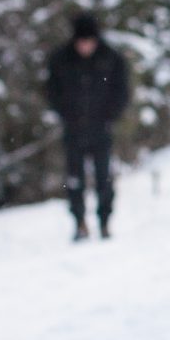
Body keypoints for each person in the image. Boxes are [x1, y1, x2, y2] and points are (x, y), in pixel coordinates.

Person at [45, 13, 128, 241]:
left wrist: (109, 116)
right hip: (73, 128)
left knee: (105, 178)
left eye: (89, 42)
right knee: (74, 179)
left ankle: (104, 221)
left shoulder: (111, 58)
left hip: (101, 128)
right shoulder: (61, 59)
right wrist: (66, 114)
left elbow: (121, 92)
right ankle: (79, 222)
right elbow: (52, 91)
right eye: (81, 42)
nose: (85, 47)